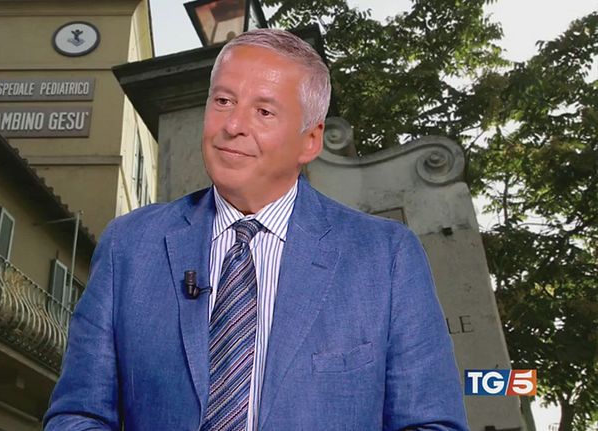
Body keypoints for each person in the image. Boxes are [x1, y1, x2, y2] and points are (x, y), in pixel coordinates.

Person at [44, 28, 468, 430]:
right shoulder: (129, 247)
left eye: (263, 111)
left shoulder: (386, 257)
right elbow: (77, 415)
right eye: (223, 101)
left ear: (310, 140)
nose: (232, 126)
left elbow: (431, 422)